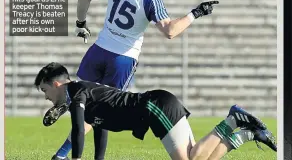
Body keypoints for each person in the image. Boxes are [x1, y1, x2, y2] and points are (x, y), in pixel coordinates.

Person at [54, 0, 220, 159]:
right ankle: (70, 155)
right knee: (102, 110)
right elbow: (170, 31)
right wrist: (196, 13)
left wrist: (81, 23)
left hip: (97, 51)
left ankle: (66, 118)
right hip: (122, 59)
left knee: (81, 98)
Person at [35, 62, 277, 160]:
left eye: (45, 90)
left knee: (190, 159)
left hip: (155, 106)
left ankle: (234, 120)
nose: (46, 97)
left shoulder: (76, 90)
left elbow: (78, 128)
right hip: (157, 105)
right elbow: (100, 127)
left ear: (57, 84)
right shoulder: (81, 96)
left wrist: (74, 158)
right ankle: (246, 134)